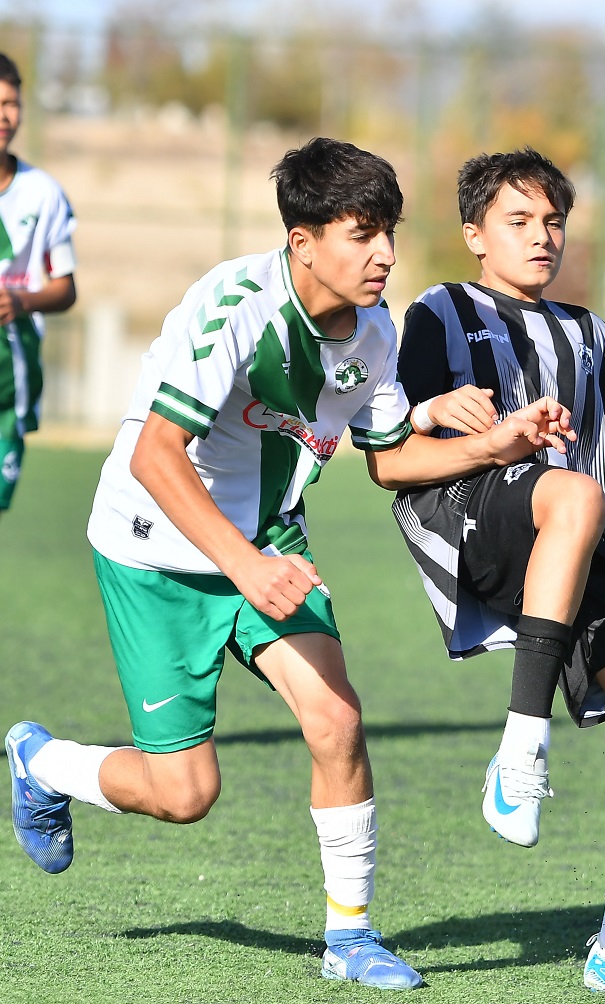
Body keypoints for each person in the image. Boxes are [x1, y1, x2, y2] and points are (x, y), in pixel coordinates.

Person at [4, 137, 572, 992]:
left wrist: (495, 444)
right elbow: (157, 455)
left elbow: (387, 456)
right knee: (184, 793)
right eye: (361, 234)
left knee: (336, 723)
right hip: (155, 546)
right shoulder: (235, 303)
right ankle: (40, 763)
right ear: (304, 242)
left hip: (267, 542)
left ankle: (350, 937)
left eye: (389, 233)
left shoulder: (375, 334)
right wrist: (245, 567)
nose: (384, 254)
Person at [392, 147, 605, 1003]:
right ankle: (521, 749)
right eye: (519, 221)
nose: (543, 238)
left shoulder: (586, 329)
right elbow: (389, 460)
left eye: (553, 222)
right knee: (575, 492)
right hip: (468, 511)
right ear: (474, 234)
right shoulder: (438, 312)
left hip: (573, 527)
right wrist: (454, 424)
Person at [0, 52, 77, 515]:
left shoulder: (43, 193)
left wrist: (22, 300)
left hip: (11, 373)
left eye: (11, 104)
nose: (4, 116)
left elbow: (66, 289)